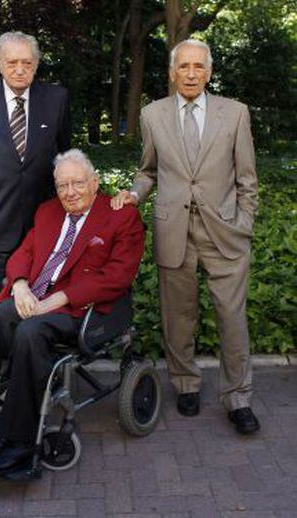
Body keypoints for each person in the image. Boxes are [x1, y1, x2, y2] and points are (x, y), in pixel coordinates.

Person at [0, 149, 144, 499]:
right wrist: (18, 285)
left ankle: (18, 443)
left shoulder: (119, 217)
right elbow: (25, 253)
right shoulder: (47, 212)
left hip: (78, 309)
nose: (71, 191)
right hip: (32, 298)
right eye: (63, 184)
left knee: (31, 333)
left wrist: (59, 299)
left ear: (95, 183)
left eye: (78, 182)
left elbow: (118, 277)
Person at [112, 39, 259, 435]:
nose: (191, 74)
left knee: (232, 318)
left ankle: (238, 398)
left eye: (199, 67)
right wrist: (134, 194)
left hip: (225, 233)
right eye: (184, 67)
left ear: (209, 72)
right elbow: (148, 171)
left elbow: (247, 179)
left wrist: (244, 224)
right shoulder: (152, 114)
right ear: (172, 72)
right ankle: (186, 384)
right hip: (173, 230)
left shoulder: (236, 114)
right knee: (178, 318)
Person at [0, 31, 71, 307]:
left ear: (36, 64)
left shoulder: (57, 99)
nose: (20, 70)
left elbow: (64, 156)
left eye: (27, 62)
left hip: (44, 220)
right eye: (12, 63)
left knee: (40, 299)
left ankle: (30, 350)